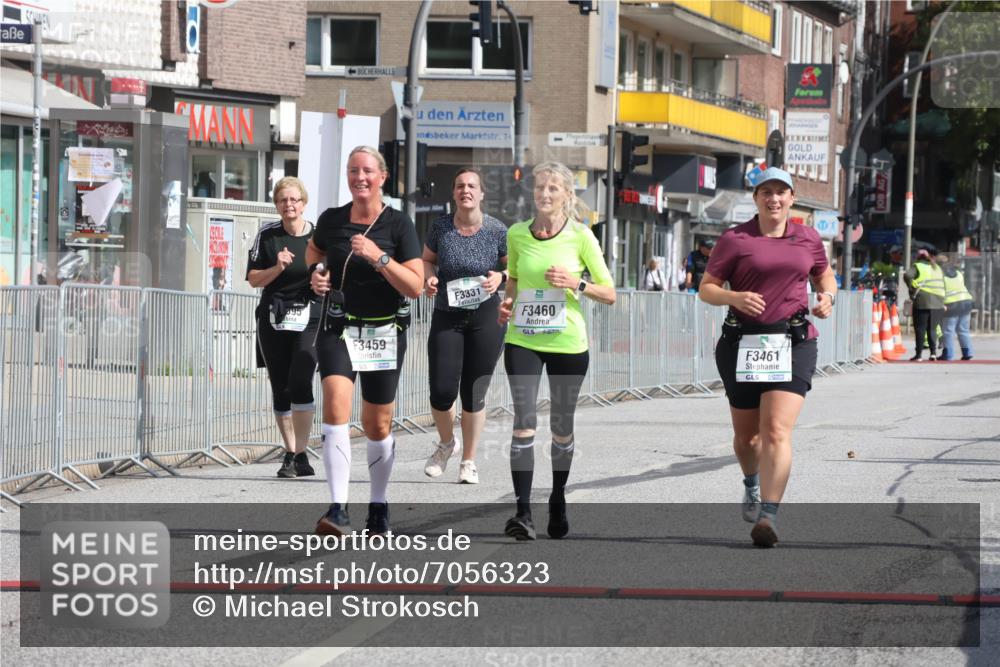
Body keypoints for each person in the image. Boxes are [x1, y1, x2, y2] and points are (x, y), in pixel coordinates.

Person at [698, 167, 836, 548]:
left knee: (776, 430)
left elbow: (825, 276)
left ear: (792, 198)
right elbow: (706, 289)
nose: (773, 199)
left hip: (793, 341)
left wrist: (828, 297)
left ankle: (769, 516)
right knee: (748, 437)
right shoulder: (735, 239)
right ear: (756, 198)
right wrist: (733, 297)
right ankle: (751, 483)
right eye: (766, 192)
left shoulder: (808, 238)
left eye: (781, 192)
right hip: (742, 342)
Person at [307, 146, 423, 536]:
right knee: (336, 408)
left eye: (368, 171)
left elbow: (416, 286)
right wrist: (317, 273)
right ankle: (338, 509)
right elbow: (314, 252)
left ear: (382, 177)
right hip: (339, 327)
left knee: (378, 423)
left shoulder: (399, 225)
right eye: (353, 170)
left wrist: (379, 258)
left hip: (384, 330)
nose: (360, 177)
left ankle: (378, 504)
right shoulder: (332, 220)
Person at [497, 161, 616, 541]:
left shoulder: (581, 236)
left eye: (553, 189)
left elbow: (609, 292)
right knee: (524, 421)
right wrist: (507, 301)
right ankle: (522, 512)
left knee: (561, 428)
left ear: (567, 195)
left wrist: (576, 283)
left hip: (567, 342)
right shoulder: (517, 234)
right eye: (539, 188)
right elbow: (514, 279)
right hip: (523, 339)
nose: (544, 194)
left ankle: (559, 497)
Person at [422, 168, 508, 484]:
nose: (465, 190)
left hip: (486, 316)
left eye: (472, 186)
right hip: (448, 313)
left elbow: (513, 266)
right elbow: (427, 259)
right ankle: (447, 444)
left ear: (481, 193)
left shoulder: (497, 230)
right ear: (454, 193)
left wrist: (503, 276)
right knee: (442, 391)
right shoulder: (441, 227)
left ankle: (468, 461)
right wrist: (428, 277)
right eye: (460, 186)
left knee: (474, 392)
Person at [246, 176, 319, 479]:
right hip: (274, 316)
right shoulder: (267, 235)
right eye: (282, 200)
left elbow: (331, 274)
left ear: (303, 203)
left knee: (301, 378)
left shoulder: (317, 238)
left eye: (294, 200)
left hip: (309, 315)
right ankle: (290, 452)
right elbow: (252, 279)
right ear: (276, 205)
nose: (289, 205)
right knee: (281, 386)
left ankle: (302, 452)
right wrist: (277, 267)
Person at [904, 248, 945, 361]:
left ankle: (919, 355)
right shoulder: (937, 268)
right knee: (932, 329)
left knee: (920, 328)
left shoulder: (918, 266)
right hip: (938, 302)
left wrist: (912, 287)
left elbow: (907, 275)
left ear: (918, 257)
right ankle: (933, 353)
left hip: (923, 301)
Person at [939, 256, 974, 361]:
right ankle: (968, 352)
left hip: (951, 305)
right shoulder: (958, 273)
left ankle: (948, 354)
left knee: (948, 331)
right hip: (966, 302)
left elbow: (939, 292)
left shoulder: (940, 276)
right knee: (963, 330)